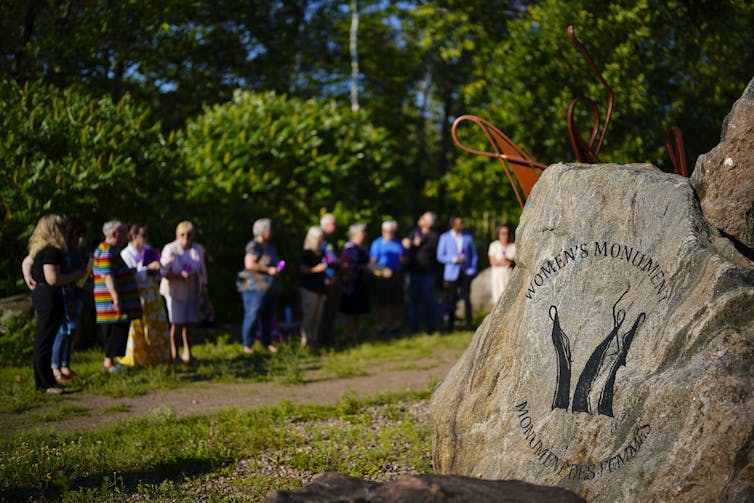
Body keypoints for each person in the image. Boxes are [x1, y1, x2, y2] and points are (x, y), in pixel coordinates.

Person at [22, 214, 86, 393]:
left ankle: (47, 381)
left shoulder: (41, 249)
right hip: (49, 296)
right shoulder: (52, 251)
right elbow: (53, 278)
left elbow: (27, 262)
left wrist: (28, 277)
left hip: (43, 295)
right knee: (45, 340)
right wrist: (75, 276)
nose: (64, 230)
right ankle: (44, 383)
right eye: (60, 227)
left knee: (46, 339)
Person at [93, 220, 142, 372]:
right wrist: (116, 297)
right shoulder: (107, 251)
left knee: (114, 330)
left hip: (108, 300)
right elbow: (107, 275)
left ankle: (110, 362)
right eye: (122, 233)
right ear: (115, 234)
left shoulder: (106, 249)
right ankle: (108, 363)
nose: (125, 236)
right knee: (116, 330)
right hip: (110, 302)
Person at [120, 224, 171, 366]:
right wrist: (147, 270)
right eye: (143, 235)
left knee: (155, 327)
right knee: (139, 327)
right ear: (134, 236)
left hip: (152, 294)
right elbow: (129, 275)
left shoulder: (149, 251)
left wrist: (157, 270)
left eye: (147, 235)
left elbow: (160, 273)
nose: (146, 239)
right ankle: (139, 359)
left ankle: (158, 357)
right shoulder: (126, 254)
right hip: (137, 294)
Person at [159, 221, 207, 364]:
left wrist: (204, 288)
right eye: (182, 235)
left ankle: (188, 352)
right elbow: (163, 271)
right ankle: (175, 354)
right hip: (175, 292)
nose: (186, 238)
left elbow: (202, 270)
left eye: (189, 235)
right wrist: (179, 275)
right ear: (177, 235)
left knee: (190, 323)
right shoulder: (170, 249)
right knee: (177, 323)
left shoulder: (197, 249)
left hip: (192, 290)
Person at [50, 216, 87, 385]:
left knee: (71, 331)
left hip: (76, 292)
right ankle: (55, 366)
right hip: (65, 293)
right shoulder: (61, 251)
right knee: (62, 330)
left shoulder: (77, 250)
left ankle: (65, 365)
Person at [236, 218, 281, 354]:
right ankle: (247, 344)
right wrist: (268, 270)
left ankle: (266, 342)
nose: (271, 231)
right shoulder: (253, 246)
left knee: (269, 316)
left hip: (270, 287)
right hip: (254, 287)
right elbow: (249, 264)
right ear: (262, 230)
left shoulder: (271, 247)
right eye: (269, 229)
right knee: (252, 314)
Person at [437, 215, 478, 332]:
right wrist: (453, 259)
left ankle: (468, 324)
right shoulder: (444, 237)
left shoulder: (468, 237)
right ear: (453, 225)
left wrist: (472, 269)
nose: (463, 225)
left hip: (466, 271)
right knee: (450, 298)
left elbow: (474, 255)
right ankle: (450, 324)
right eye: (460, 223)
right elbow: (440, 256)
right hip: (451, 273)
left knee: (466, 297)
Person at [403, 211, 439, 334]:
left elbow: (428, 249)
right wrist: (406, 243)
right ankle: (413, 328)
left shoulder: (434, 236)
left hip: (427, 274)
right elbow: (408, 244)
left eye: (423, 217)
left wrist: (413, 244)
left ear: (429, 223)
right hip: (413, 272)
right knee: (413, 301)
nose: (420, 218)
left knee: (429, 301)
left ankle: (431, 328)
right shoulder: (414, 232)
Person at [369, 220, 407, 334]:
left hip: (397, 274)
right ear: (383, 231)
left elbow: (405, 258)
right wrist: (381, 271)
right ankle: (381, 325)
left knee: (396, 301)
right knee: (383, 302)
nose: (390, 234)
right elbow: (372, 263)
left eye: (392, 232)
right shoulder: (377, 244)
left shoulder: (398, 243)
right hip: (383, 276)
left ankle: (394, 325)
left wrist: (403, 260)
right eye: (387, 232)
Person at [299, 226, 327, 348]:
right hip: (309, 288)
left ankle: (314, 339)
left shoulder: (321, 252)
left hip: (320, 287)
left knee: (318, 316)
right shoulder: (307, 253)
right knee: (309, 315)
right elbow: (302, 269)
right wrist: (316, 269)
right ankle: (305, 340)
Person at [340, 223, 370, 339]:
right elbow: (349, 265)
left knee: (358, 309)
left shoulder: (363, 248)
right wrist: (363, 268)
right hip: (351, 283)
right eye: (363, 232)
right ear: (356, 234)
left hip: (361, 282)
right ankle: (349, 333)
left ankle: (357, 332)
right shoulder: (349, 248)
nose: (365, 235)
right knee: (350, 309)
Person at [318, 213, 340, 345]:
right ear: (325, 225)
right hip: (325, 279)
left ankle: (329, 338)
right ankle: (321, 340)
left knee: (331, 311)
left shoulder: (332, 240)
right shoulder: (319, 240)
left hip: (334, 279)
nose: (336, 226)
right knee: (323, 312)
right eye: (334, 224)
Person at [488, 224, 517, 304]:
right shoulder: (494, 245)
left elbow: (515, 262)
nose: (505, 236)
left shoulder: (513, 246)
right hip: (498, 277)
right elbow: (492, 262)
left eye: (507, 233)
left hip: (509, 276)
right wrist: (504, 262)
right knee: (497, 300)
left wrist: (508, 261)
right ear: (498, 234)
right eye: (503, 233)